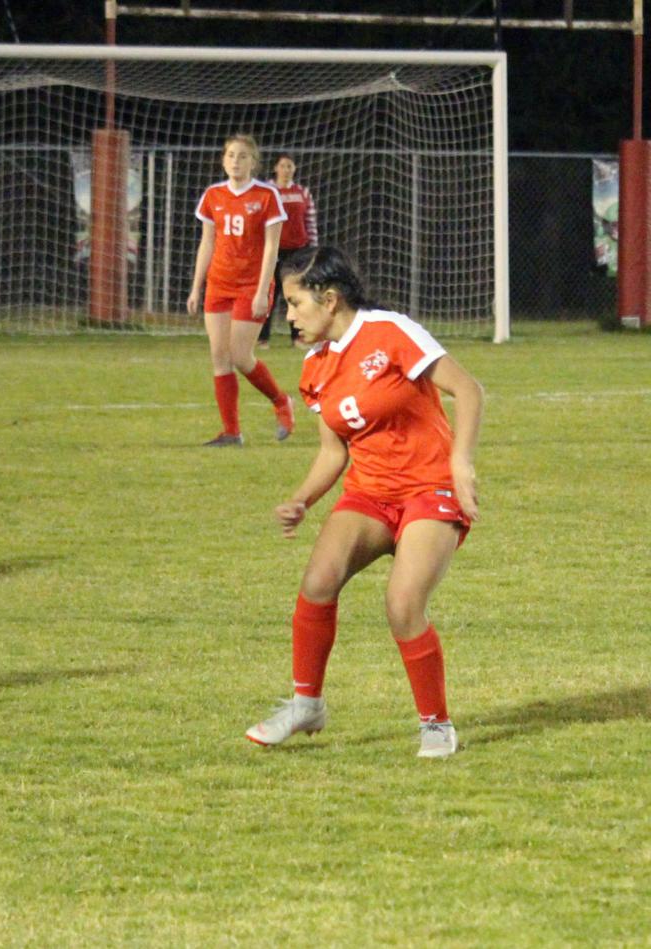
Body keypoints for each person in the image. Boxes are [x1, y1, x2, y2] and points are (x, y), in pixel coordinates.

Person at [244, 246, 483, 759]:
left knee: (402, 604)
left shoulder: (389, 331)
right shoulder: (315, 367)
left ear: (329, 300)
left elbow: (469, 389)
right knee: (317, 581)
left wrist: (461, 463)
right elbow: (334, 450)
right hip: (371, 492)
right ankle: (307, 703)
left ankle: (436, 725)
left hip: (430, 488)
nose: (286, 316)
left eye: (294, 302)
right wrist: (301, 499)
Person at [187, 133, 295, 447]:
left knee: (240, 355)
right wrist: (197, 286)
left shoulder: (266, 195)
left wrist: (263, 290)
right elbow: (207, 242)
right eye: (231, 155)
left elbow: (272, 246)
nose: (236, 161)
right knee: (219, 357)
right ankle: (231, 432)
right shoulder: (212, 195)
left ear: (253, 162)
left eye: (242, 156)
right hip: (219, 283)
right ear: (223, 160)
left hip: (251, 284)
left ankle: (280, 401)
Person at [258, 153, 317, 349]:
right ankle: (262, 338)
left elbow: (310, 222)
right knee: (269, 294)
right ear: (276, 168)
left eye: (290, 166)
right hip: (272, 250)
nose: (286, 169)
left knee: (296, 294)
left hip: (297, 251)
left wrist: (313, 249)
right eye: (283, 166)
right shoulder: (266, 190)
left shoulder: (303, 193)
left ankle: (298, 337)